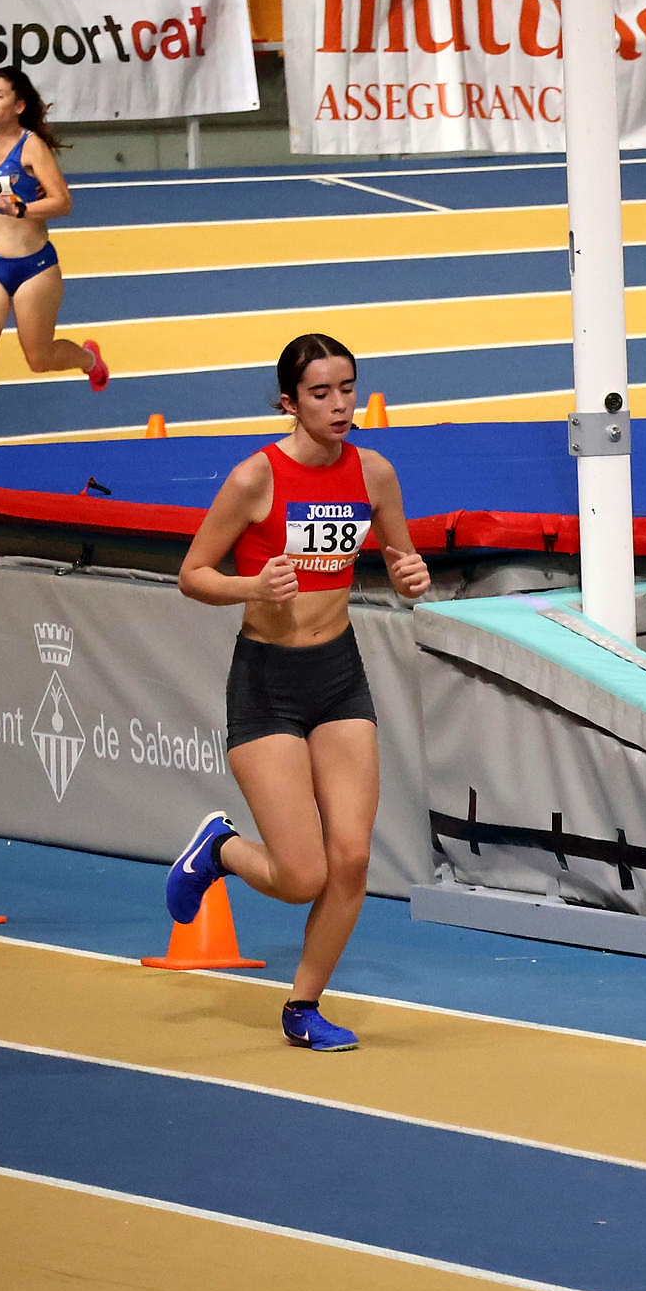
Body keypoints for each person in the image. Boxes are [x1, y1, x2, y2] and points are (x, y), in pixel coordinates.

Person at [168, 334, 429, 1051]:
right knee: (300, 875)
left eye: (347, 388)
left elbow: (402, 561)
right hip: (268, 680)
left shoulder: (374, 473)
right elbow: (193, 574)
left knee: (352, 859)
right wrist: (252, 586)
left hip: (339, 675)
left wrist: (410, 577)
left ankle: (302, 1007)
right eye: (320, 393)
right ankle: (219, 850)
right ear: (289, 402)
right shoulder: (256, 478)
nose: (339, 404)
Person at [0, 65, 107, 446]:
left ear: (19, 105)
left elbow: (63, 202)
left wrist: (20, 209)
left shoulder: (31, 148)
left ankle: (89, 360)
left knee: (39, 359)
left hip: (34, 268)